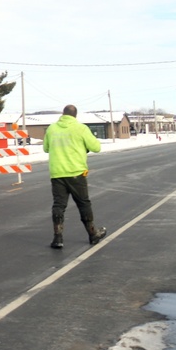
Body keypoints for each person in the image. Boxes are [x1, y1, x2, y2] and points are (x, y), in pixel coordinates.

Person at [42, 104, 107, 249]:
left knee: (59, 205)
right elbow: (96, 147)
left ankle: (58, 238)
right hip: (77, 173)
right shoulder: (81, 128)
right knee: (83, 203)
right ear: (75, 116)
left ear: (62, 114)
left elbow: (46, 148)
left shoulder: (52, 129)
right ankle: (92, 234)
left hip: (57, 174)